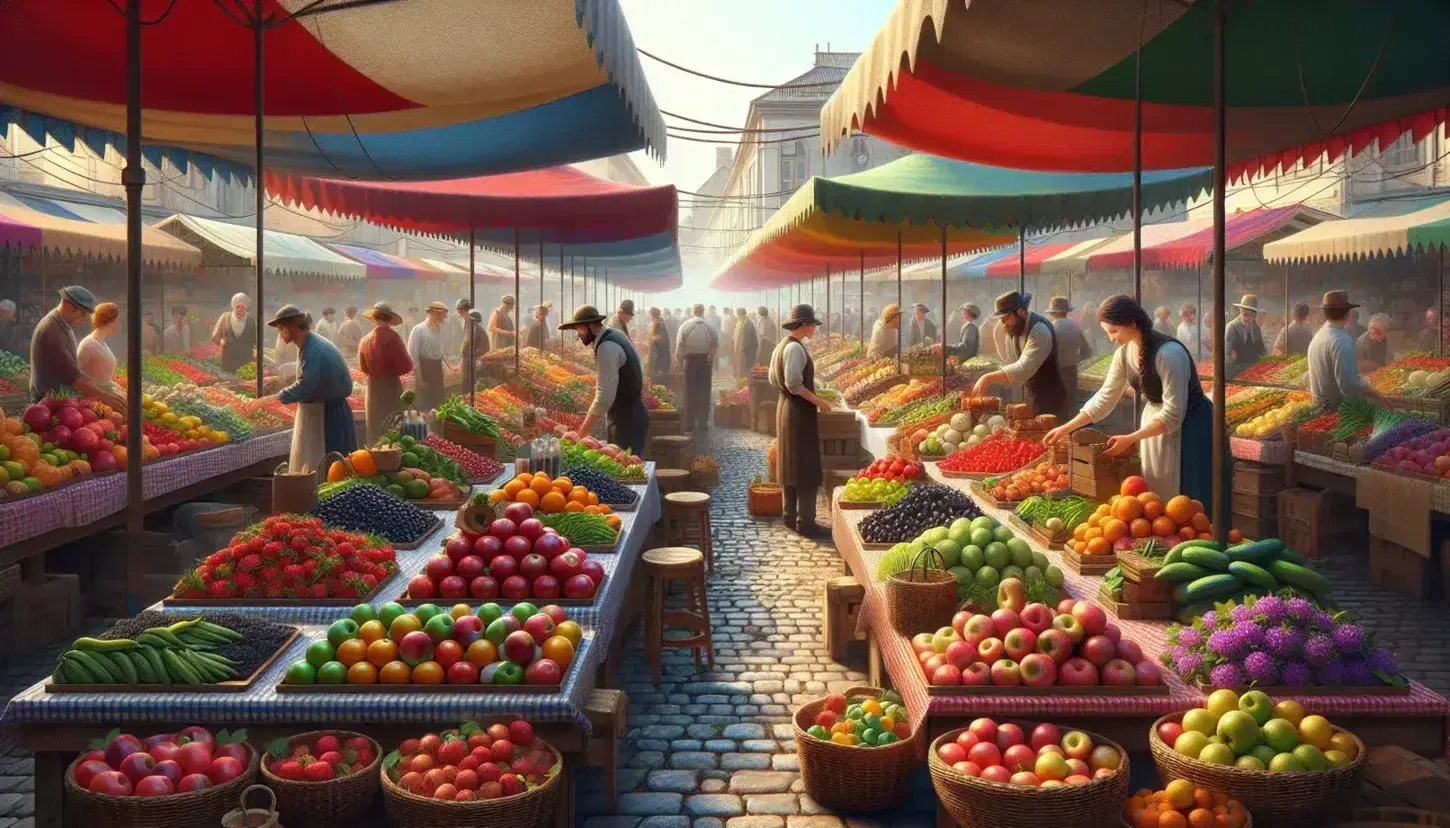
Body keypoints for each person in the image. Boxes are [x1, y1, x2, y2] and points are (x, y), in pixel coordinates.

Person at [1044, 295, 1213, 507]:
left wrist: (1130, 438)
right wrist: (1067, 428)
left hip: (1190, 426)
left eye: (1114, 331)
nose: (1112, 338)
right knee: (1156, 492)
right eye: (1108, 333)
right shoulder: (1124, 353)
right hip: (1154, 423)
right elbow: (1105, 398)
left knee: (1185, 500)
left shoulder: (1170, 354)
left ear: (1132, 323)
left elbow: (1173, 414)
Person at [254, 306, 355, 472]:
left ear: (293, 327)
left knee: (332, 469)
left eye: (281, 329)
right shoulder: (309, 344)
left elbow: (307, 385)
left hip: (330, 415)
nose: (280, 334)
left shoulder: (314, 349)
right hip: (325, 409)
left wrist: (272, 398)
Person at [768, 304, 835, 537]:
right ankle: (806, 522)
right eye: (813, 324)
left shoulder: (782, 345)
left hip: (785, 408)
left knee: (789, 463)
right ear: (804, 325)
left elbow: (773, 379)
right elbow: (794, 384)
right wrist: (819, 402)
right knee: (805, 466)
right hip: (798, 412)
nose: (815, 328)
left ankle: (789, 516)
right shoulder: (795, 349)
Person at [560, 304, 650, 455]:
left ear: (591, 326)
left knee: (625, 471)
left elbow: (604, 397)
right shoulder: (612, 334)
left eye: (580, 329)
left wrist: (581, 435)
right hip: (627, 415)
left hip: (627, 419)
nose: (578, 334)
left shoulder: (606, 347)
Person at [971, 291, 1070, 420]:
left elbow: (1024, 367)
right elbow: (1010, 360)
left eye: (1006, 318)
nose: (1003, 324)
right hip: (1030, 393)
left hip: (1049, 397)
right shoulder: (1014, 328)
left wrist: (987, 378)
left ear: (1021, 312)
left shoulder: (1039, 330)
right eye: (1001, 320)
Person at [28, 287, 127, 412]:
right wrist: (104, 395)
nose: (85, 319)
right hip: (48, 404)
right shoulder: (51, 330)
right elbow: (73, 376)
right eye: (83, 313)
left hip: (60, 402)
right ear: (68, 305)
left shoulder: (62, 324)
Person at [1308, 291, 1388, 410]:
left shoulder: (1318, 336)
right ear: (1347, 314)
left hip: (1320, 408)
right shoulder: (1341, 340)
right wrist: (1378, 395)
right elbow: (1349, 386)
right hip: (1338, 411)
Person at [357, 302, 413, 444]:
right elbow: (406, 366)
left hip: (373, 390)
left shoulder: (364, 340)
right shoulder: (393, 337)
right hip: (391, 389)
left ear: (374, 318)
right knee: (393, 430)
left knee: (375, 431)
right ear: (389, 319)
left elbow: (362, 368)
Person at [676, 304, 718, 438]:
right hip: (705, 361)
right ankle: (703, 422)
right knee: (704, 391)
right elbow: (716, 342)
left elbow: (679, 345)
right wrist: (710, 358)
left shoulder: (685, 325)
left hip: (690, 361)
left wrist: (680, 362)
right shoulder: (709, 326)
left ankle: (689, 423)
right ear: (703, 312)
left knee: (689, 391)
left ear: (693, 312)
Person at [408, 301, 449, 412]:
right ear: (433, 314)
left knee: (438, 401)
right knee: (425, 403)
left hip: (436, 369)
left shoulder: (438, 329)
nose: (444, 317)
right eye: (442, 314)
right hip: (424, 368)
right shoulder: (418, 330)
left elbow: (439, 350)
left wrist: (447, 365)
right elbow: (414, 355)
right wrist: (419, 377)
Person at [1046, 296, 1092, 393]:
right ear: (1067, 311)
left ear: (1053, 312)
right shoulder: (1075, 326)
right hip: (1071, 371)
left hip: (1055, 372)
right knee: (1071, 401)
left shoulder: (1050, 327)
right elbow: (1087, 351)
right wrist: (1074, 360)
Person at [78, 302, 121, 394]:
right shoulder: (88, 344)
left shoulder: (102, 342)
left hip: (106, 392)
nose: (119, 323)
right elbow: (78, 376)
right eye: (117, 320)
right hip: (95, 397)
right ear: (109, 321)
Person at [210, 292, 257, 374]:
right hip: (228, 360)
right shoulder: (225, 317)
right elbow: (215, 336)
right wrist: (221, 341)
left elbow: (255, 339)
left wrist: (256, 352)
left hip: (245, 361)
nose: (239, 310)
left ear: (246, 308)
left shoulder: (251, 320)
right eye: (237, 307)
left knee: (244, 382)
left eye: (242, 307)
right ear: (233, 306)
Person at [1223, 294, 1266, 378]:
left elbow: (1261, 347)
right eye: (1245, 314)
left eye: (1251, 315)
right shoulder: (1231, 327)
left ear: (1255, 315)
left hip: (1254, 372)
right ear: (1240, 310)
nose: (1248, 318)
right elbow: (1227, 355)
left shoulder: (1255, 327)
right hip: (1236, 372)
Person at [731, 306, 758, 381]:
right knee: (740, 367)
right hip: (739, 349)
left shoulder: (747, 322)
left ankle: (745, 383)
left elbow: (746, 338)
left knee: (744, 368)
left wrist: (743, 349)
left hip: (745, 350)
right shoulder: (740, 321)